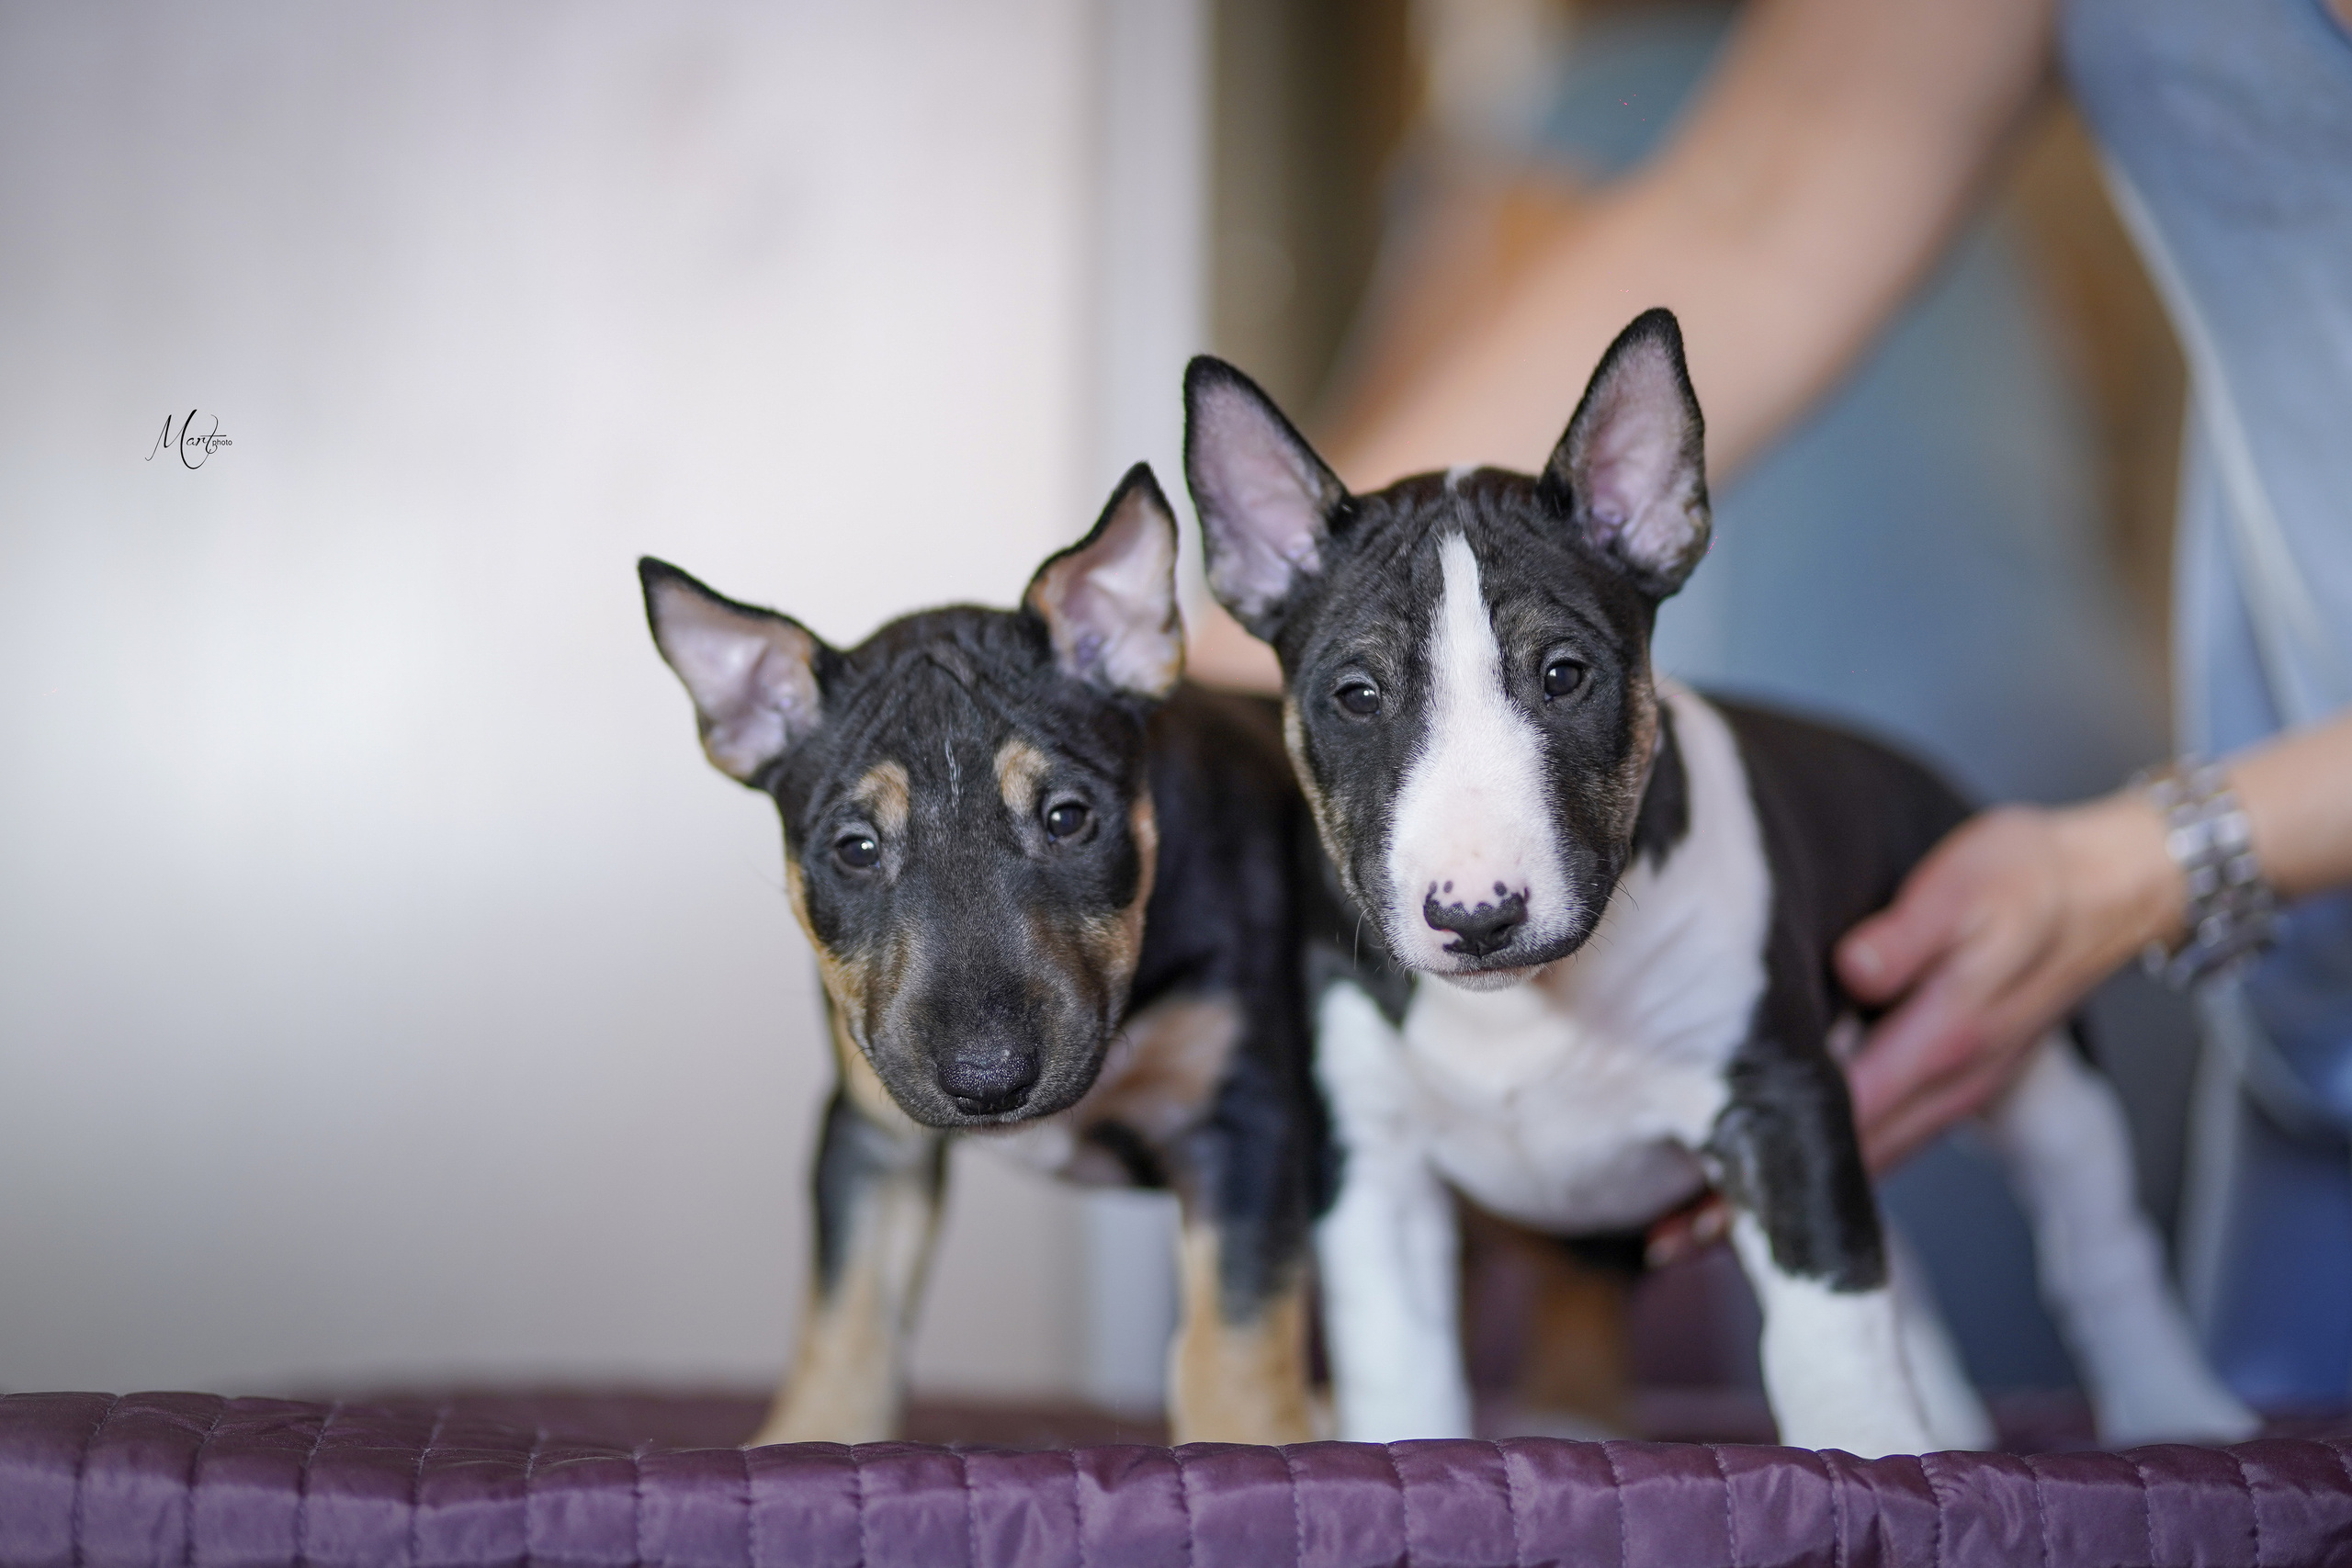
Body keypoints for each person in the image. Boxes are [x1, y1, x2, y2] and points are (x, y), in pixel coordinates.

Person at [1193, 0, 2352, 1404]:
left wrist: (2169, 854)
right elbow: (1763, 207)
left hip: (2133, 831)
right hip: (2284, 925)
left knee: (1970, 1209)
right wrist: (1178, 696)